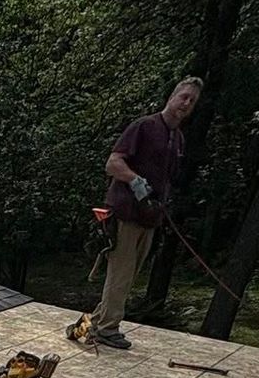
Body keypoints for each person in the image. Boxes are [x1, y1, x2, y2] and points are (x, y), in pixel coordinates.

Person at [71, 75, 202, 349]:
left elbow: (168, 179)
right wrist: (135, 180)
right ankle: (107, 329)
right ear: (172, 96)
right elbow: (112, 163)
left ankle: (90, 325)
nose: (186, 103)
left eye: (192, 100)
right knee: (120, 274)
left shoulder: (177, 138)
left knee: (127, 277)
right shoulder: (145, 126)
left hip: (150, 218)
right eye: (183, 97)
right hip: (125, 213)